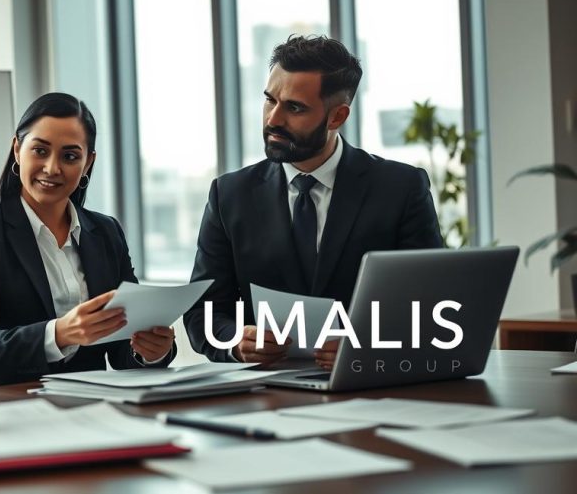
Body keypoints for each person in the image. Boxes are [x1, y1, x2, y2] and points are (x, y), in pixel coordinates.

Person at [184, 35, 442, 371]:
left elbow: (432, 307)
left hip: (371, 389)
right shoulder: (229, 194)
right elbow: (202, 312)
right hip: (264, 394)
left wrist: (371, 347)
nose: (273, 119)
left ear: (337, 117)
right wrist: (235, 341)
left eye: (294, 107)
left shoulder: (401, 188)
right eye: (269, 101)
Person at [0, 93, 177, 387]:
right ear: (17, 149)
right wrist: (59, 334)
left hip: (89, 402)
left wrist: (149, 351)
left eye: (70, 156)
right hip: (5, 404)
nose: (52, 168)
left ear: (87, 163)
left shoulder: (106, 232)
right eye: (40, 151)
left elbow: (121, 349)